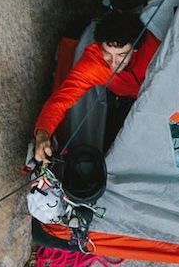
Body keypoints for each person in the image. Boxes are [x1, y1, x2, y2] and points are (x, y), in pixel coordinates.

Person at [32, 9, 160, 165]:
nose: (113, 63)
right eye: (107, 53)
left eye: (121, 55)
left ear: (135, 48)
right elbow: (61, 99)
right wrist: (43, 133)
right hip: (123, 99)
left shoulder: (155, 50)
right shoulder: (94, 62)